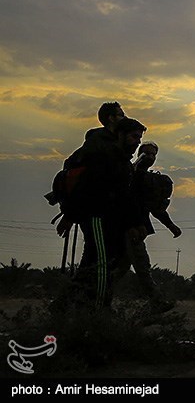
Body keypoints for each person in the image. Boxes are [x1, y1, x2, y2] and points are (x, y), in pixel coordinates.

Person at [54, 117, 147, 310]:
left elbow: (126, 197)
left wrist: (135, 223)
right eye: (134, 136)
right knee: (102, 265)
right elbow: (87, 189)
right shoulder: (105, 158)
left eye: (139, 138)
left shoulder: (123, 162)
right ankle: (100, 311)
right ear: (120, 135)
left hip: (111, 221)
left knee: (92, 264)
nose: (137, 141)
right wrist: (69, 216)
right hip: (97, 218)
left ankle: (62, 306)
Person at [114, 141, 182, 314]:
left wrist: (171, 226)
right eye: (146, 153)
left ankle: (92, 298)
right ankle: (156, 301)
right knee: (142, 266)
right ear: (139, 154)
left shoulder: (147, 179)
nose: (150, 157)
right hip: (127, 229)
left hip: (135, 229)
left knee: (119, 269)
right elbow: (126, 203)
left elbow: (155, 207)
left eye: (153, 154)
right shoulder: (128, 175)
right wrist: (133, 225)